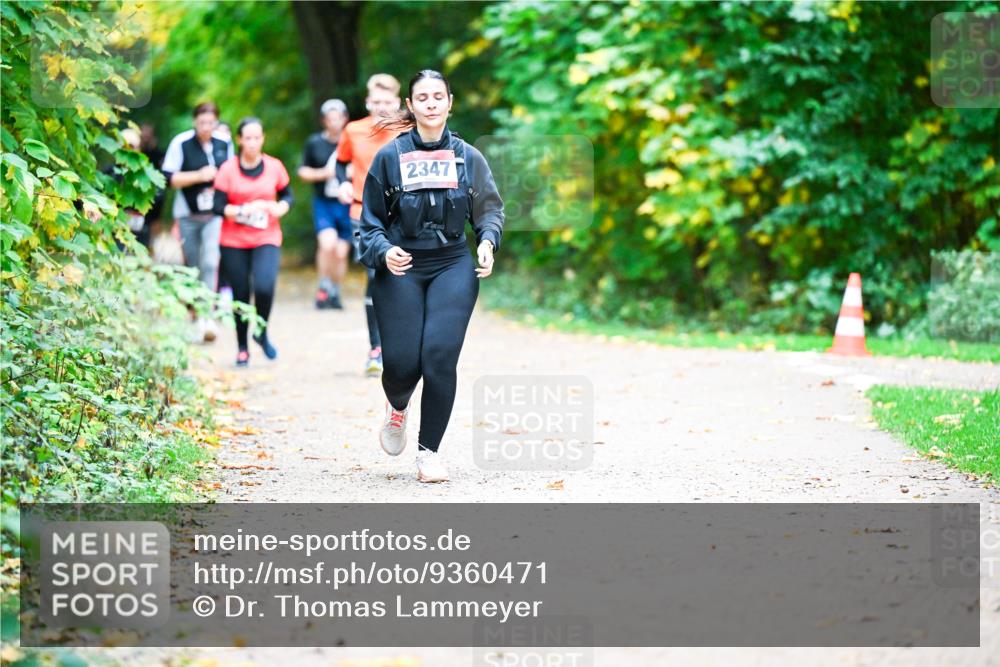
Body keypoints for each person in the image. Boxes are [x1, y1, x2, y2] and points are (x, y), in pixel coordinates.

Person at [359, 70, 504, 483]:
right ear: (410, 105)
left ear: (450, 102)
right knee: (403, 365)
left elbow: (490, 210)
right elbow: (368, 225)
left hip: (452, 263)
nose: (431, 104)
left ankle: (429, 453)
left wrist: (488, 241)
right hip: (402, 264)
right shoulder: (389, 157)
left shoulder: (468, 157)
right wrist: (385, 251)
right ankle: (398, 405)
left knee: (439, 355)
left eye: (438, 97)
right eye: (422, 98)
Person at [212, 117, 294, 367]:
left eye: (257, 137)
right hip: (234, 239)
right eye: (247, 138)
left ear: (262, 139)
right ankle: (242, 347)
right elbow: (217, 206)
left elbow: (288, 195)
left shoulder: (274, 166)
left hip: (266, 236)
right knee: (240, 294)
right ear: (239, 140)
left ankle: (260, 331)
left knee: (265, 287)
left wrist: (280, 207)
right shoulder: (228, 169)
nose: (252, 143)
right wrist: (242, 211)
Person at [335, 74, 402, 374]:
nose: (381, 108)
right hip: (361, 212)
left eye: (387, 102)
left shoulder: (407, 130)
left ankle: (399, 346)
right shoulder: (353, 130)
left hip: (400, 214)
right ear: (367, 102)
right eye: (376, 102)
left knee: (400, 279)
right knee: (375, 276)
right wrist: (342, 183)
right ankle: (376, 350)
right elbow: (340, 162)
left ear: (398, 104)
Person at [161, 102, 233, 342]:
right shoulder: (180, 143)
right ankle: (194, 314)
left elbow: (233, 174)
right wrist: (199, 176)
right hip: (187, 215)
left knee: (211, 261)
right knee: (192, 265)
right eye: (202, 123)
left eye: (210, 123)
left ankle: (207, 316)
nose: (206, 127)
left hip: (213, 214)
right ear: (195, 122)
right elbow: (169, 178)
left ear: (216, 122)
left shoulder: (224, 143)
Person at [298, 99, 351, 309]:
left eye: (338, 118)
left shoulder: (352, 141)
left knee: (340, 251)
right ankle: (323, 287)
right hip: (324, 203)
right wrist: (324, 174)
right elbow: (302, 171)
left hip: (347, 203)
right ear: (323, 121)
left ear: (345, 119)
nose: (334, 122)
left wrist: (348, 175)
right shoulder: (314, 143)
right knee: (327, 244)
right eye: (330, 118)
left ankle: (335, 290)